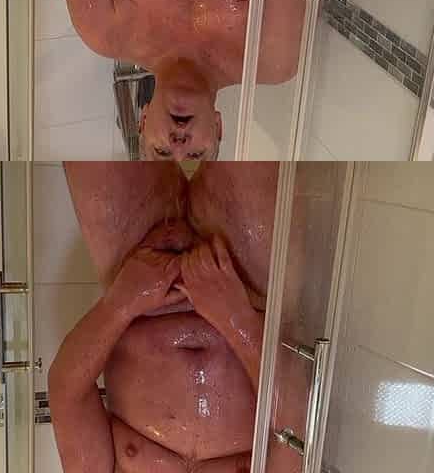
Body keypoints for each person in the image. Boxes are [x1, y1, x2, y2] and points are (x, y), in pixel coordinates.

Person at [49, 162, 309, 472]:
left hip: (139, 277)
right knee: (259, 140)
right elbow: (297, 415)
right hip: (248, 288)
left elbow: (66, 390)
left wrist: (122, 303)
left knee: (106, 141)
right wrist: (236, 318)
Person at [64, 0, 306, 160]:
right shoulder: (272, 58)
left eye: (162, 152)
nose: (178, 145)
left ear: (143, 121)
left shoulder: (103, 29)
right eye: (195, 155)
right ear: (218, 128)